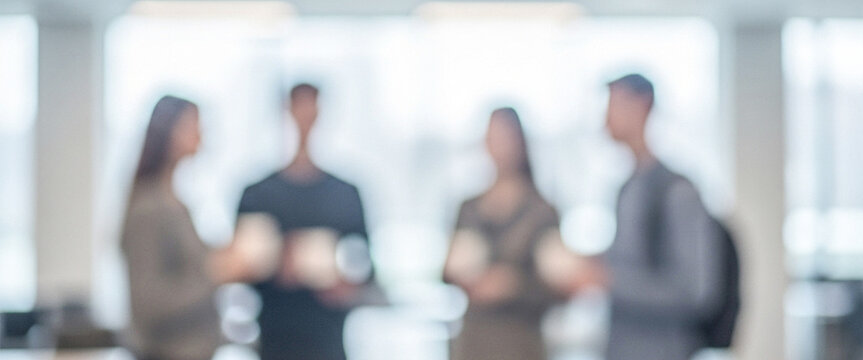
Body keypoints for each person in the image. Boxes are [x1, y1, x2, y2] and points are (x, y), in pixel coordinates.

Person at [236, 83, 370, 360]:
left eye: (312, 106)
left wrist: (346, 285)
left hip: (327, 336)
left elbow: (366, 267)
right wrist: (276, 263)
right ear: (288, 110)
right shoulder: (258, 194)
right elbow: (238, 270)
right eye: (300, 106)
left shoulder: (345, 194)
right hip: (276, 335)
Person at [602, 74, 724, 360]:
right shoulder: (627, 187)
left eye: (613, 104)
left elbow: (695, 291)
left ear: (642, 106)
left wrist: (609, 281)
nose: (605, 116)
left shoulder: (677, 192)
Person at [121, 96, 251, 360]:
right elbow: (149, 305)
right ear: (168, 131)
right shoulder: (149, 207)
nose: (201, 133)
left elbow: (187, 268)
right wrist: (217, 273)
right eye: (193, 125)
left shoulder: (176, 204)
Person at [444, 107, 579, 360]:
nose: (499, 146)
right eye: (492, 137)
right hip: (474, 340)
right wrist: (464, 278)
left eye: (505, 137)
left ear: (521, 142)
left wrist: (513, 285)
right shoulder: (469, 208)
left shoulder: (542, 211)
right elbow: (445, 274)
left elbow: (561, 289)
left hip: (520, 341)